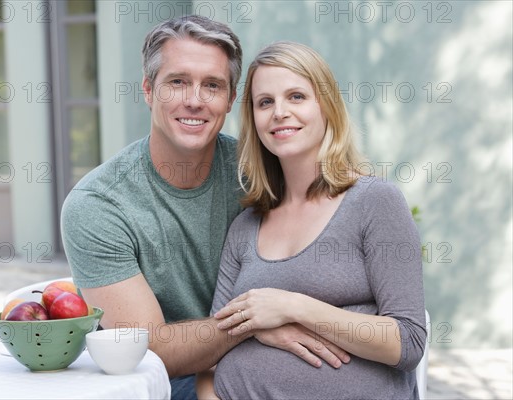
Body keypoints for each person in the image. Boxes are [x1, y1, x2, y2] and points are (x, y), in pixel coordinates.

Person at [61, 17, 349, 399]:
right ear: (148, 90)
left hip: (283, 362)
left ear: (231, 99)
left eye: (212, 85)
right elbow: (151, 348)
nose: (194, 99)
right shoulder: (98, 205)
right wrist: (252, 324)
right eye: (177, 82)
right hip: (171, 380)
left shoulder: (265, 173)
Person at [197, 41, 427, 399]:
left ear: (327, 107)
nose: (279, 113)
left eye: (297, 96)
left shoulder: (373, 202)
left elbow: (408, 342)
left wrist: (292, 307)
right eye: (265, 102)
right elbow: (212, 353)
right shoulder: (245, 226)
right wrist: (257, 328)